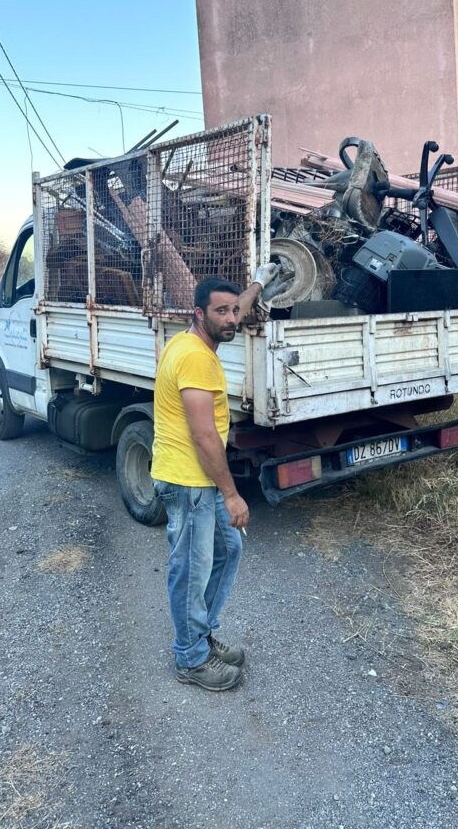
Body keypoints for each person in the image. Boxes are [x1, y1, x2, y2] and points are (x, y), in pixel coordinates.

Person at [151, 266, 278, 691]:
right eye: (220, 311)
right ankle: (189, 656)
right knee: (191, 568)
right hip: (189, 482)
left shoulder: (192, 341)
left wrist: (259, 281)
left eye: (234, 311)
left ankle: (200, 635)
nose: (231, 319)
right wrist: (232, 495)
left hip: (197, 480)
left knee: (228, 550)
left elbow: (239, 302)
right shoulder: (195, 359)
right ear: (198, 313)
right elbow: (204, 435)